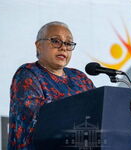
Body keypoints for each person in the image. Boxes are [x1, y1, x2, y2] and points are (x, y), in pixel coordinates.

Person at [8, 21, 95, 149]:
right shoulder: (28, 74)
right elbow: (38, 121)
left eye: (68, 43)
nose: (63, 47)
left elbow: (98, 110)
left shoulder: (80, 78)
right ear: (39, 46)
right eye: (55, 41)